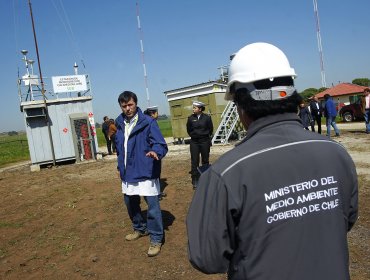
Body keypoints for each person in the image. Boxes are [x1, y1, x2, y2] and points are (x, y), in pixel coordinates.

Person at [186, 42, 358, 279]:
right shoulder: (336, 153)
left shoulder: (225, 174)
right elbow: (346, 219)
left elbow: (207, 258)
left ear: (240, 104)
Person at [115, 91, 168, 257]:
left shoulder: (148, 122)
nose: (128, 108)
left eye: (130, 105)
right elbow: (120, 149)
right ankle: (140, 228)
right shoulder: (119, 123)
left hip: (146, 170)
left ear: (136, 103)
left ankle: (156, 238)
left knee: (152, 207)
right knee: (130, 202)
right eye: (124, 106)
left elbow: (161, 144)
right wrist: (120, 167)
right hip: (128, 172)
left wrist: (156, 152)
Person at [186, 101, 213, 189]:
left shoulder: (207, 118)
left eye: (195, 108)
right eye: (193, 107)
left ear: (200, 109)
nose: (193, 109)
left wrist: (205, 136)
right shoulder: (190, 118)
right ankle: (195, 180)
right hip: (194, 142)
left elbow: (210, 129)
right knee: (195, 161)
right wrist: (194, 136)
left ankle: (206, 179)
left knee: (205, 160)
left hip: (205, 141)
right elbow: (189, 130)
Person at [144, 106, 167, 199]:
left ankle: (157, 192)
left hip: (153, 151)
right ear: (153, 113)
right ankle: (155, 194)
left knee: (155, 174)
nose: (158, 114)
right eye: (156, 113)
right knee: (154, 174)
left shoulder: (146, 121)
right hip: (152, 152)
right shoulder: (150, 122)